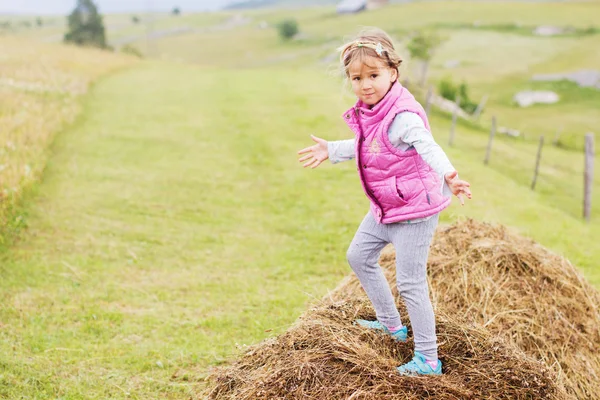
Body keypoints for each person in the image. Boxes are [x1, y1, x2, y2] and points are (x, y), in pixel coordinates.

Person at [297, 28, 472, 376]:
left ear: (393, 73)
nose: (365, 84)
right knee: (358, 256)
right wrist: (331, 149)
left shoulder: (403, 116)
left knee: (410, 282)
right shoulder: (372, 111)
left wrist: (450, 175)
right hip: (388, 206)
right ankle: (392, 326)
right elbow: (369, 146)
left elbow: (427, 145)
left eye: (373, 75)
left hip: (415, 211)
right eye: (357, 78)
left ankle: (428, 359)